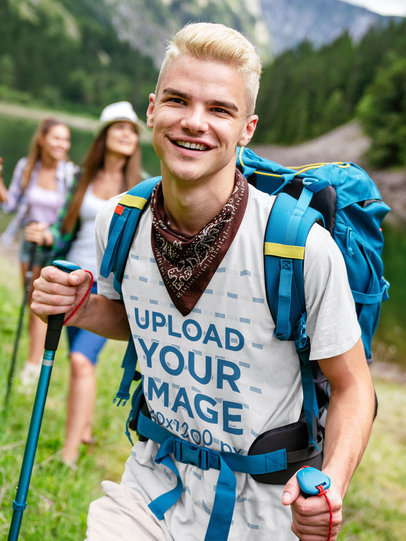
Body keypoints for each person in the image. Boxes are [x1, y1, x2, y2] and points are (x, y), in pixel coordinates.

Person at [31, 22, 375, 541]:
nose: (194, 123)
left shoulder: (298, 246)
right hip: (151, 483)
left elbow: (354, 388)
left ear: (247, 128)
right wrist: (78, 306)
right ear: (151, 109)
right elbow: (137, 317)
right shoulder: (120, 221)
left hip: (266, 506)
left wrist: (332, 485)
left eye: (219, 109)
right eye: (177, 100)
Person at [28, 101, 143, 466]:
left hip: (104, 290)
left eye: (132, 129)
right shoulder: (80, 178)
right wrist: (47, 238)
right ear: (105, 134)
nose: (127, 133)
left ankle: (70, 455)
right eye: (119, 127)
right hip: (69, 282)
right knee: (78, 360)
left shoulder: (140, 189)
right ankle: (86, 426)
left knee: (80, 360)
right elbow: (65, 226)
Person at [1, 118, 73, 387]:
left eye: (65, 139)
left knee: (42, 307)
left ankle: (33, 366)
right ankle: (33, 362)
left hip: (53, 248)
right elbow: (11, 208)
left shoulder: (69, 173)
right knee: (31, 303)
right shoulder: (26, 167)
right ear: (42, 139)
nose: (62, 144)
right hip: (28, 246)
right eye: (56, 138)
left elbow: (70, 217)